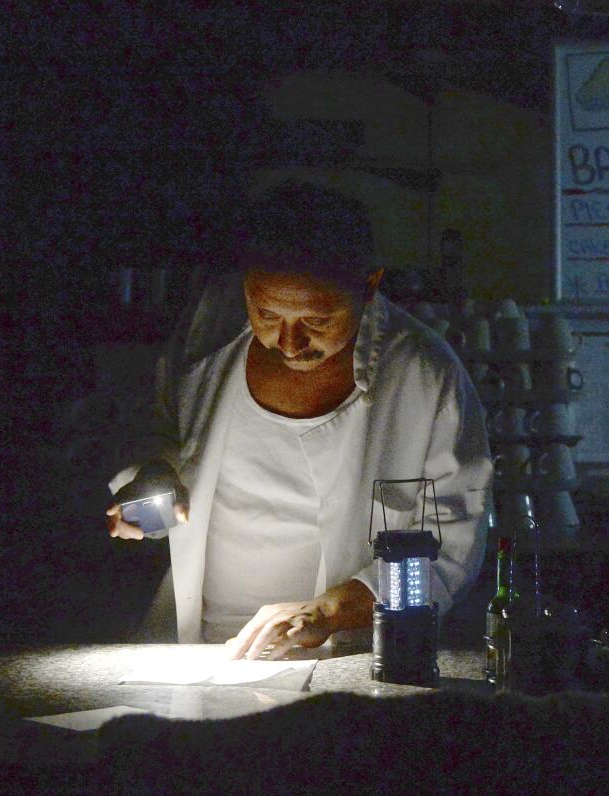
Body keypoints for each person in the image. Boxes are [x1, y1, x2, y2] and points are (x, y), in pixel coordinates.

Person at [105, 181, 492, 660]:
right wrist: (153, 481)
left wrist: (325, 614)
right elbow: (157, 427)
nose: (288, 342)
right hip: (202, 648)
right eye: (265, 312)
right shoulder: (210, 328)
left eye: (317, 320)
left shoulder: (423, 374)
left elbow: (450, 547)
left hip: (345, 651)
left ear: (369, 286)